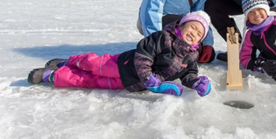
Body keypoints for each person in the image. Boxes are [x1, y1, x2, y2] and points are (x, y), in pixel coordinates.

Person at [27, 11, 212, 97]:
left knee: (87, 81)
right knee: (92, 64)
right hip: (122, 65)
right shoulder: (163, 37)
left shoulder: (191, 56)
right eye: (192, 27)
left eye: (198, 33)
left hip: (130, 83)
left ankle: (51, 76)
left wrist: (196, 82)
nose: (193, 33)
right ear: (182, 24)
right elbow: (143, 55)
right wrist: (149, 79)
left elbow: (188, 74)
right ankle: (67, 62)